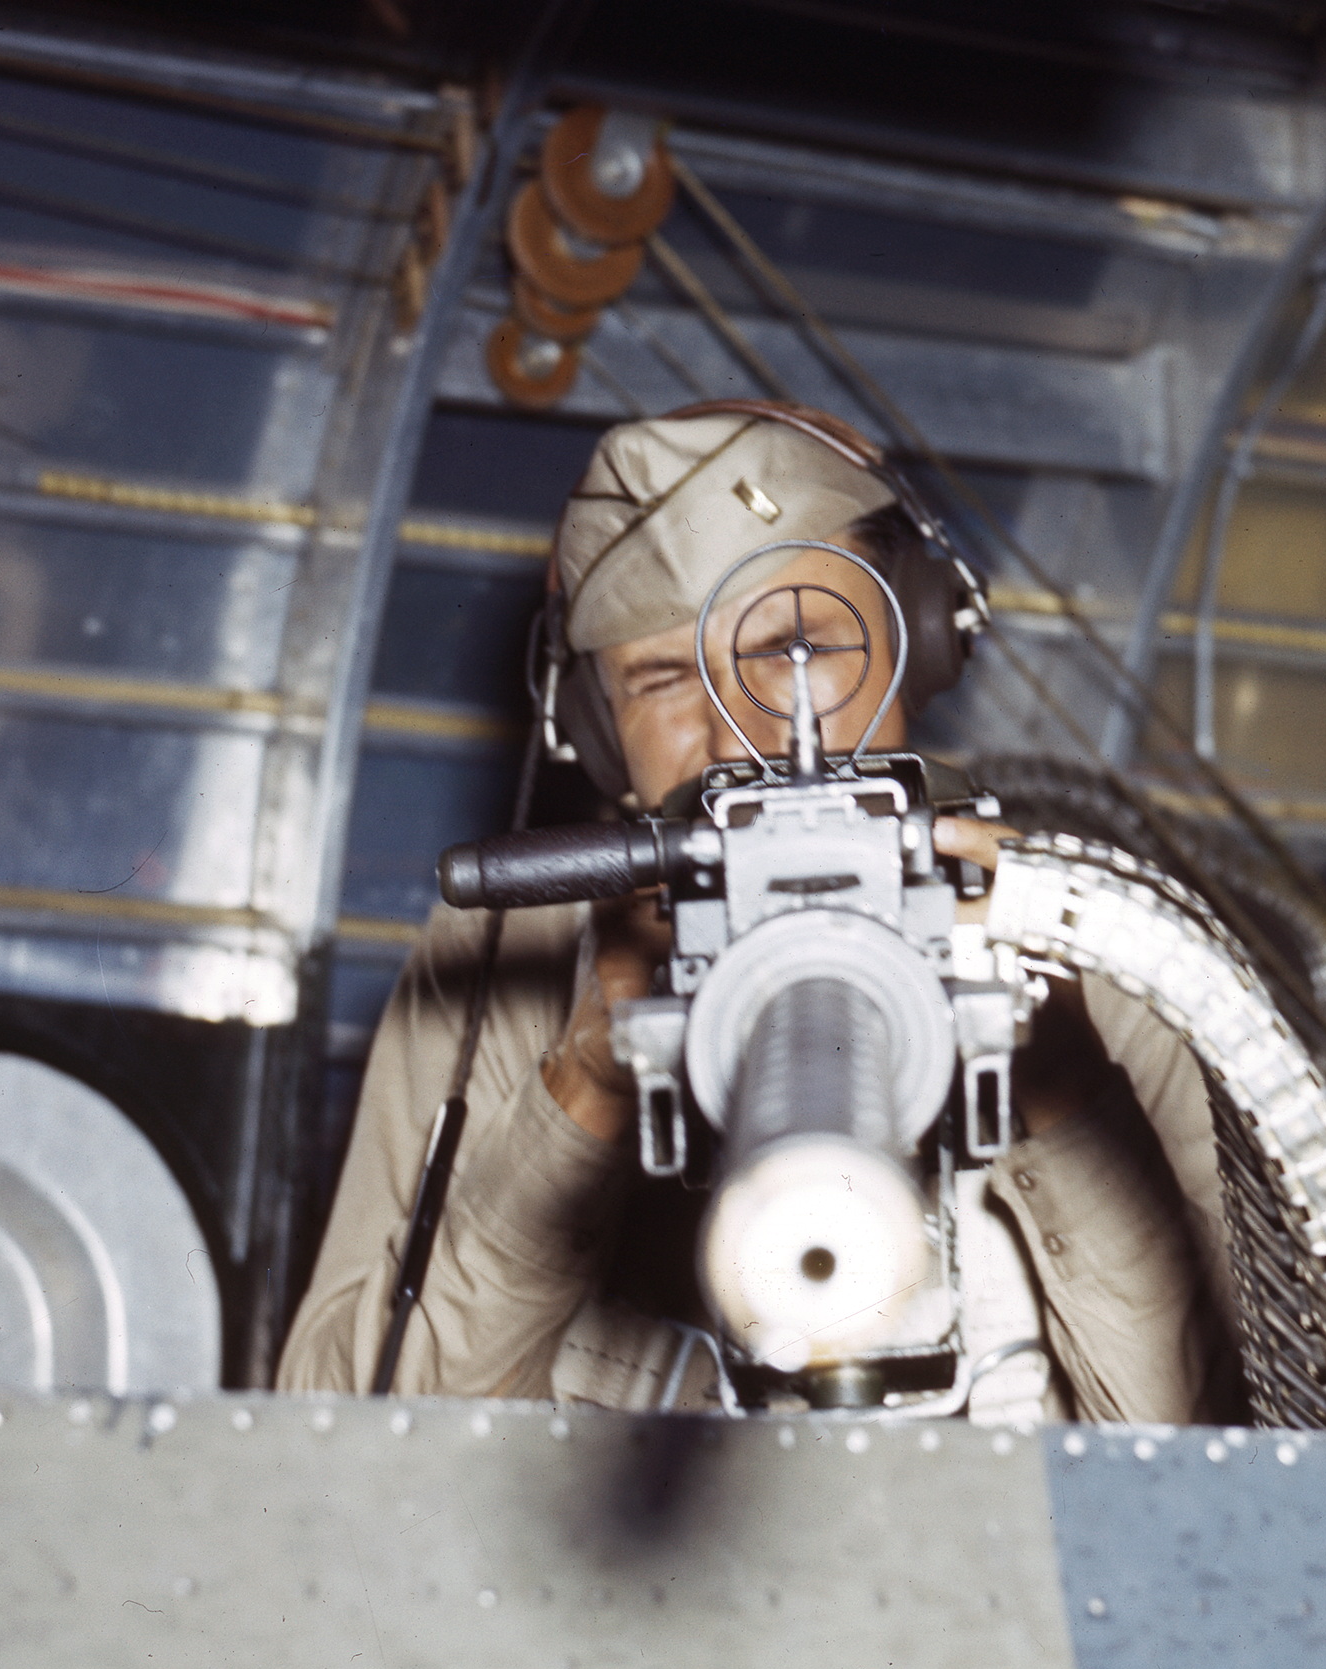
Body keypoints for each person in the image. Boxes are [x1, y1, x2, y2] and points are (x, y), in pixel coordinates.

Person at [278, 406, 1231, 1420]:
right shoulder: (501, 963)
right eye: (666, 679)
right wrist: (586, 1085)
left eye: (793, 650)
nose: (748, 739)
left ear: (920, 643)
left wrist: (1059, 1068)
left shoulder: (1095, 942)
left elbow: (1213, 1480)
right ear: (600, 734)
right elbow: (348, 1446)